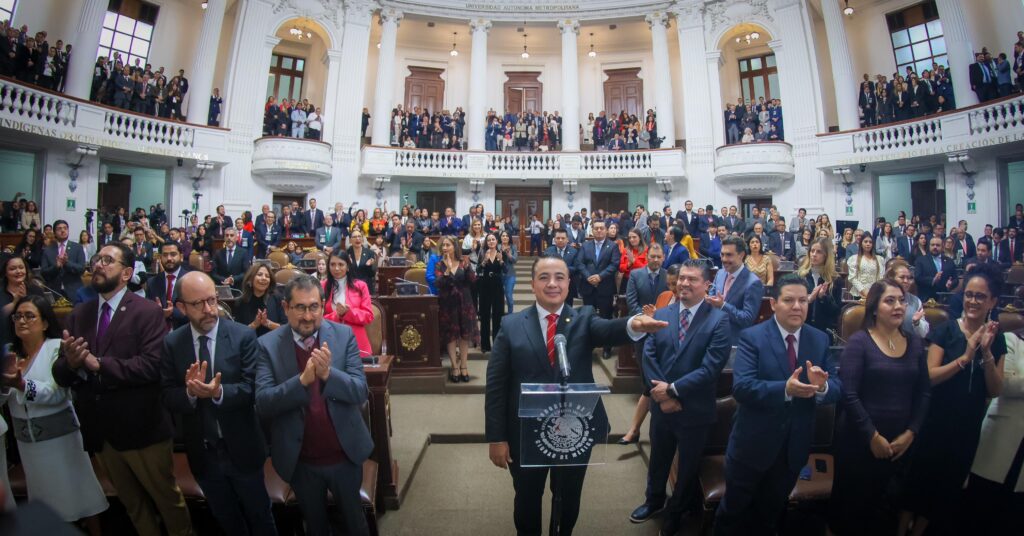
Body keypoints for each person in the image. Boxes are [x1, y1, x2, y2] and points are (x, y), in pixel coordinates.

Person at [485, 254, 666, 535]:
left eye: (559, 277)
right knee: (526, 499)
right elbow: (496, 386)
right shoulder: (511, 325)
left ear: (569, 284)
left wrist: (633, 324)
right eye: (544, 277)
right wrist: (497, 437)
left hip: (575, 430)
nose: (552, 283)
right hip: (525, 432)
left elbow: (608, 330)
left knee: (569, 498)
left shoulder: (583, 317)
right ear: (533, 284)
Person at [52, 243, 194, 536]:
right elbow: (61, 373)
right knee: (133, 504)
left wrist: (98, 364)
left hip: (142, 428)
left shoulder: (147, 313)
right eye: (97, 259)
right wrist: (72, 363)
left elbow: (150, 367)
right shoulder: (80, 313)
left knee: (167, 500)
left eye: (108, 260)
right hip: (102, 432)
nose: (99, 265)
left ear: (127, 273)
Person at [713, 274, 840, 535]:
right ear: (773, 303)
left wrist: (822, 387)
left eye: (803, 301)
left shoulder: (819, 339)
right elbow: (742, 387)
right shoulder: (752, 337)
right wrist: (785, 389)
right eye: (789, 300)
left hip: (793, 450)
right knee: (732, 515)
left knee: (770, 516)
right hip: (752, 446)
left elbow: (838, 387)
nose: (797, 307)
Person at [160, 272, 277, 536]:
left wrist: (217, 392)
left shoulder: (242, 337)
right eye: (198, 304)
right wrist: (190, 394)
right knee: (226, 517)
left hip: (242, 448)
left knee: (260, 515)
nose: (208, 309)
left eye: (212, 300)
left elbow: (251, 389)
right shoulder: (172, 343)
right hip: (203, 454)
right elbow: (167, 395)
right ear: (181, 307)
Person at [254, 275, 373, 536]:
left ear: (323, 305)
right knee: (315, 527)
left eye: (314, 307)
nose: (308, 316)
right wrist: (301, 382)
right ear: (285, 308)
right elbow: (263, 404)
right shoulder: (267, 346)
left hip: (345, 455)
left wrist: (329, 374)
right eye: (300, 308)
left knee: (355, 524)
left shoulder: (343, 335)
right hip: (301, 461)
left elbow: (360, 392)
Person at [902, 264, 1006, 536]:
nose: (972, 301)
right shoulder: (946, 331)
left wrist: (986, 353)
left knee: (944, 491)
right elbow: (929, 377)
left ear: (993, 301)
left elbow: (994, 390)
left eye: (980, 296)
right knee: (916, 486)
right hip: (934, 422)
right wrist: (965, 357)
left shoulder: (996, 339)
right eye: (969, 294)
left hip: (967, 428)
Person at [631, 261, 730, 534]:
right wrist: (662, 397)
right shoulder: (662, 313)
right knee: (659, 458)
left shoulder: (719, 320)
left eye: (692, 280)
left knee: (687, 467)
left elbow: (711, 368)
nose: (685, 284)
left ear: (707, 285)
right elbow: (649, 356)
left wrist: (673, 390)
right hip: (662, 408)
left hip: (694, 408)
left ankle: (677, 511)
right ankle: (653, 501)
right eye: (682, 278)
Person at [828, 280, 931, 535]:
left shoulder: (915, 344)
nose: (898, 306)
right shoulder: (859, 342)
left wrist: (912, 432)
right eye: (890, 300)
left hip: (900, 445)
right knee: (852, 514)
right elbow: (849, 394)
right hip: (859, 444)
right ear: (875, 308)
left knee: (884, 515)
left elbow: (924, 392)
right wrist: (872, 436)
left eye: (901, 300)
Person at [1, 295, 108, 533]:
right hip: (28, 443)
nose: (22, 321)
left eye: (30, 316)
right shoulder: (10, 354)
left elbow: (57, 394)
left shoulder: (57, 348)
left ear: (45, 322)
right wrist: (5, 385)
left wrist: (21, 385)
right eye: (18, 316)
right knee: (45, 500)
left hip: (60, 438)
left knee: (80, 493)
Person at [968, 325, 1024, 535]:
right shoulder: (1011, 340)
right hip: (1002, 434)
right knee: (981, 506)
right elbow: (1004, 384)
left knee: (1013, 516)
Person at [619, 243, 668, 445]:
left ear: (663, 257)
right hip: (641, 331)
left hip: (664, 332)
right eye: (652, 256)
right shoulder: (636, 275)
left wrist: (657, 318)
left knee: (657, 380)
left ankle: (641, 429)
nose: (655, 260)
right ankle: (639, 428)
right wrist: (646, 319)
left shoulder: (669, 275)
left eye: (659, 257)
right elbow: (631, 302)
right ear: (647, 256)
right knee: (646, 378)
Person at [435, 236, 478, 383]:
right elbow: (439, 283)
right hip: (447, 304)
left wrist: (467, 269)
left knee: (464, 335)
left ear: (455, 247)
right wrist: (447, 270)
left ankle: (464, 365)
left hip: (464, 302)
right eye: (443, 245)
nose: (445, 247)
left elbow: (472, 280)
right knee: (451, 335)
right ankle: (454, 366)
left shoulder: (463, 262)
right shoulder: (440, 264)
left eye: (448, 245)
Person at [577, 220, 622, 359]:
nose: (599, 231)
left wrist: (600, 277)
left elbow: (614, 264)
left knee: (606, 318)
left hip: (605, 288)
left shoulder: (613, 246)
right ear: (592, 230)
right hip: (588, 287)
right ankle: (588, 346)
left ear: (606, 230)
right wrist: (589, 277)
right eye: (596, 228)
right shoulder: (585, 245)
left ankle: (606, 347)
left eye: (602, 228)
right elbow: (579, 263)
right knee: (587, 317)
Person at [710, 236, 764, 345]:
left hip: (734, 343)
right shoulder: (720, 273)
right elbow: (712, 297)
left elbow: (747, 319)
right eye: (722, 254)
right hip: (713, 338)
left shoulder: (753, 283)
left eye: (729, 255)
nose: (724, 259)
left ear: (741, 255)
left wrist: (723, 305)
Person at [322, 251, 374, 359]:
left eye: (341, 264)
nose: (336, 268)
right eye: (332, 264)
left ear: (348, 266)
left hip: (357, 341)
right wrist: (336, 316)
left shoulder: (360, 286)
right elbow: (317, 318)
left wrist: (348, 313)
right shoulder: (322, 286)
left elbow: (368, 316)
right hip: (329, 340)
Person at [799, 238, 843, 339]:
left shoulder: (835, 280)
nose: (814, 254)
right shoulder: (800, 276)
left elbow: (836, 312)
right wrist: (808, 300)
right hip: (802, 328)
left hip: (824, 331)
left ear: (826, 255)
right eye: (812, 251)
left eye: (819, 252)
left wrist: (823, 298)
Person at [145, 241, 191, 331]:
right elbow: (147, 312)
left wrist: (172, 312)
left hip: (185, 332)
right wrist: (156, 312)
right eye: (165, 255)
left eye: (173, 254)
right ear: (160, 257)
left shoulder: (191, 280)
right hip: (158, 333)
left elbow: (197, 313)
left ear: (181, 257)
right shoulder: (152, 282)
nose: (169, 258)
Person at [233, 263, 285, 337]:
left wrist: (267, 323)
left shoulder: (277, 298)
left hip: (273, 343)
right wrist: (254, 325)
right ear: (250, 279)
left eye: (267, 276)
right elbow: (237, 333)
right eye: (259, 274)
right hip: (250, 344)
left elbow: (286, 328)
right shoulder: (241, 302)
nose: (264, 278)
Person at [40, 220, 86, 299]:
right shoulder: (47, 250)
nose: (63, 230)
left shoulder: (77, 247)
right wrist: (56, 267)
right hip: (54, 291)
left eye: (65, 228)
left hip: (74, 291)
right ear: (54, 232)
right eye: (59, 229)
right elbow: (44, 273)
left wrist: (67, 263)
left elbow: (81, 269)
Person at [477, 233, 506, 353]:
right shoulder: (482, 253)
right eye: (489, 240)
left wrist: (501, 261)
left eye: (493, 239)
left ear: (496, 241)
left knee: (498, 316)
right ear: (486, 242)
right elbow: (478, 270)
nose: (491, 241)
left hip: (498, 287)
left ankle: (497, 344)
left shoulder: (501, 253)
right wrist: (484, 261)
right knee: (484, 316)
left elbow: (506, 271)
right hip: (484, 287)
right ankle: (485, 345)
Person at [886, 260, 930, 338]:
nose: (906, 281)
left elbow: (924, 333)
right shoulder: (881, 298)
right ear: (891, 278)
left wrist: (917, 323)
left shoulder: (916, 301)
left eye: (909, 278)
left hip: (909, 343)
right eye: (902, 277)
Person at [913, 236, 958, 304]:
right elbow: (917, 277)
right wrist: (933, 280)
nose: (935, 247)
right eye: (933, 245)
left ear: (942, 247)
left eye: (938, 245)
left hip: (945, 299)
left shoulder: (949, 261)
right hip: (926, 298)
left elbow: (955, 279)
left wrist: (951, 284)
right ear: (929, 246)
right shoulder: (921, 260)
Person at [545, 228, 580, 307]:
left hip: (568, 285)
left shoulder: (574, 251)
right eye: (558, 238)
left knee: (567, 308)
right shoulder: (548, 251)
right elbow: (544, 266)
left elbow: (576, 267)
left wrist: (562, 270)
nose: (560, 240)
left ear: (567, 239)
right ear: (554, 239)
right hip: (552, 284)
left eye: (563, 238)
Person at [847, 234, 882, 299]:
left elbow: (880, 278)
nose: (868, 244)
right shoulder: (854, 259)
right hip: (859, 293)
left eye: (870, 242)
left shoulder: (879, 259)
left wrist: (874, 292)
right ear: (861, 243)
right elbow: (853, 278)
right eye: (865, 241)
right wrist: (864, 291)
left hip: (874, 294)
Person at [346, 229, 377, 295]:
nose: (357, 238)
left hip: (366, 287)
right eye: (354, 237)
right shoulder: (346, 254)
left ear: (362, 239)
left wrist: (369, 266)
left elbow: (372, 274)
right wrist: (348, 265)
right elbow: (345, 274)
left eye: (359, 236)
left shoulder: (370, 253)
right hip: (351, 287)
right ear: (350, 240)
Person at [499, 230, 518, 314]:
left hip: (510, 274)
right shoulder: (497, 246)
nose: (505, 237)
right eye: (503, 236)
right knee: (499, 297)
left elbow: (515, 260)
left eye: (506, 236)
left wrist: (509, 255)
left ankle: (510, 315)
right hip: (498, 274)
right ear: (500, 237)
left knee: (509, 296)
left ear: (509, 237)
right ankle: (500, 314)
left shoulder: (513, 246)